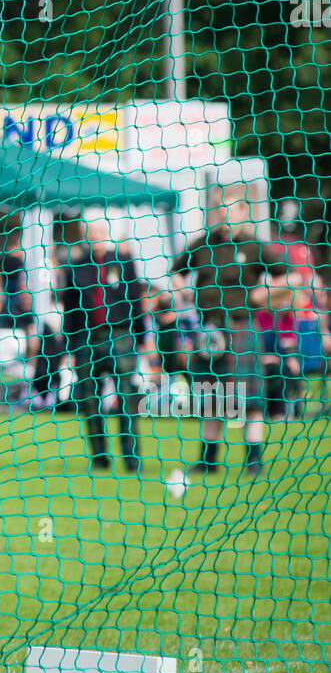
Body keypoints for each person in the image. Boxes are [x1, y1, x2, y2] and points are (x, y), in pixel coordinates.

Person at [170, 191, 289, 480]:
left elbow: (286, 276)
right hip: (208, 329)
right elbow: (175, 272)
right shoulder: (203, 243)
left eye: (229, 210)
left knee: (250, 401)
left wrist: (265, 294)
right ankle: (209, 461)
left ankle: (253, 460)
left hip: (241, 326)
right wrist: (184, 292)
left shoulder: (254, 245)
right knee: (211, 398)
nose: (224, 215)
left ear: (243, 211)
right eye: (219, 210)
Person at [57, 218, 152, 474]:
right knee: (89, 400)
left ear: (107, 233)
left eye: (101, 231)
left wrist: (142, 338)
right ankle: (99, 458)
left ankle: (132, 460)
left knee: (127, 398)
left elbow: (136, 301)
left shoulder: (123, 262)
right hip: (87, 339)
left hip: (120, 336)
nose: (96, 236)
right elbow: (70, 310)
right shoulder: (76, 267)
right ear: (85, 235)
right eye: (92, 232)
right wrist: (70, 347)